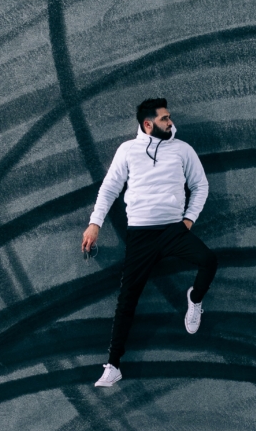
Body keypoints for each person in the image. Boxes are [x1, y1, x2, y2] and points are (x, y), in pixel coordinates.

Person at [81, 98, 218, 386]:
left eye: (169, 118)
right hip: (140, 235)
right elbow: (109, 189)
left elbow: (200, 185)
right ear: (148, 124)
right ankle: (114, 365)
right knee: (127, 299)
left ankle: (194, 299)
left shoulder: (182, 150)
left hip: (173, 230)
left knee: (209, 260)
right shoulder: (128, 151)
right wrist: (95, 224)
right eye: (164, 119)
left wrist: (189, 219)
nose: (170, 122)